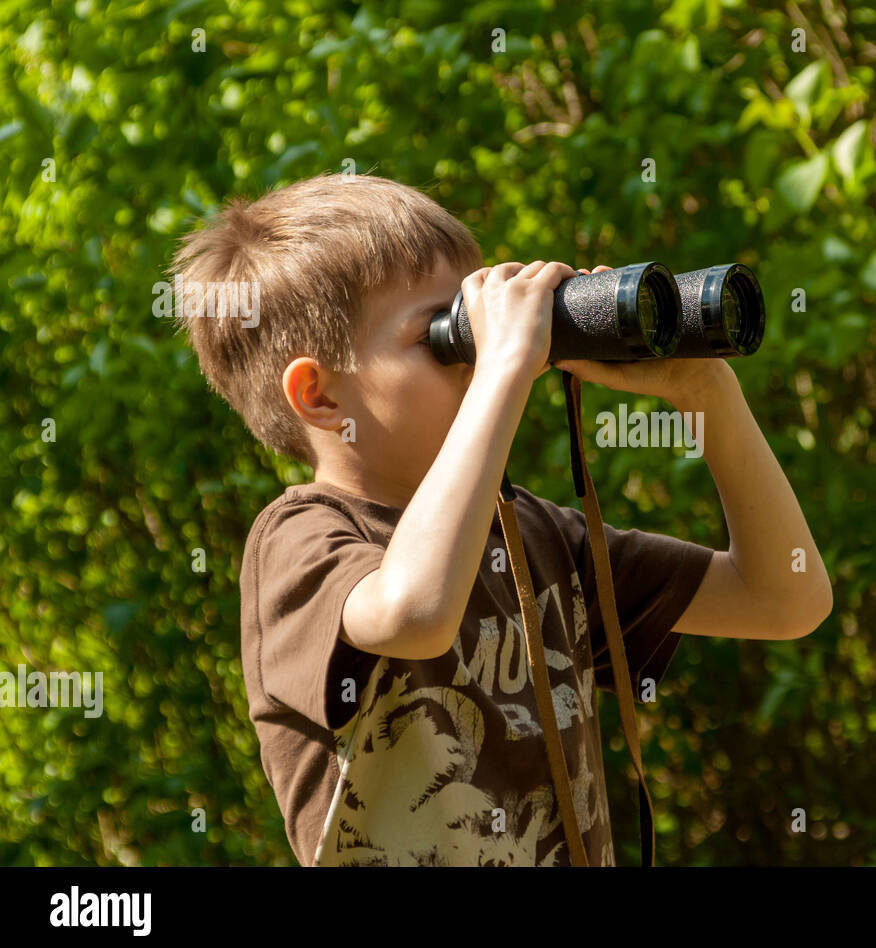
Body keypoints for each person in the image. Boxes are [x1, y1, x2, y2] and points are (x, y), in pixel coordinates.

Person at [167, 172, 832, 866]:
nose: (482, 352)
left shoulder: (539, 539)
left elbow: (786, 599)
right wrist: (505, 367)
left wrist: (704, 393)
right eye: (444, 335)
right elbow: (416, 611)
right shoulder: (300, 541)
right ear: (321, 397)